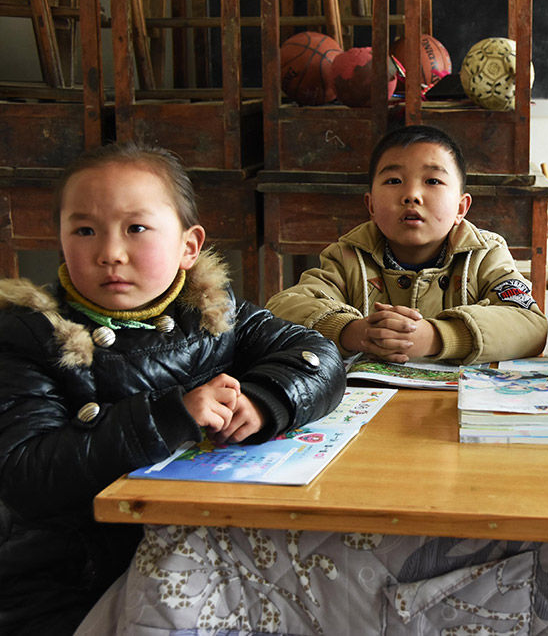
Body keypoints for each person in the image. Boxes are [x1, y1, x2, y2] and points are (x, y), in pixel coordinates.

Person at [0, 142, 346, 636]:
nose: (110, 253)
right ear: (60, 241)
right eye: (84, 230)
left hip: (208, 558)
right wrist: (170, 415)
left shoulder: (210, 312)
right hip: (77, 582)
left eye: (136, 228)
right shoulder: (33, 335)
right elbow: (25, 473)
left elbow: (315, 352)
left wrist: (268, 398)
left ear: (189, 246)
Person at [266, 124, 548, 364]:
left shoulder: (485, 255)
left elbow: (531, 326)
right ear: (371, 205)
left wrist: (438, 337)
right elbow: (281, 309)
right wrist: (352, 331)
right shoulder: (348, 256)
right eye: (394, 180)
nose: (412, 195)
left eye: (433, 181)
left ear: (461, 207)